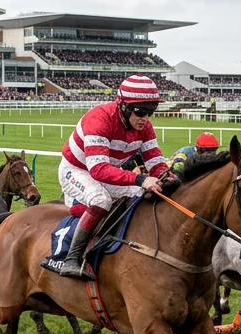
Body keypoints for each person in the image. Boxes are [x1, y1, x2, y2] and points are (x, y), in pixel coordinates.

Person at [43, 74, 173, 279]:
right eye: (140, 111)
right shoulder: (100, 118)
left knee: (144, 194)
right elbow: (98, 170)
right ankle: (71, 259)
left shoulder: (145, 127)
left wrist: (171, 179)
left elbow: (155, 161)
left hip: (108, 171)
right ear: (123, 105)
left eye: (151, 112)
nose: (145, 118)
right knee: (101, 199)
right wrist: (140, 179)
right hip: (77, 170)